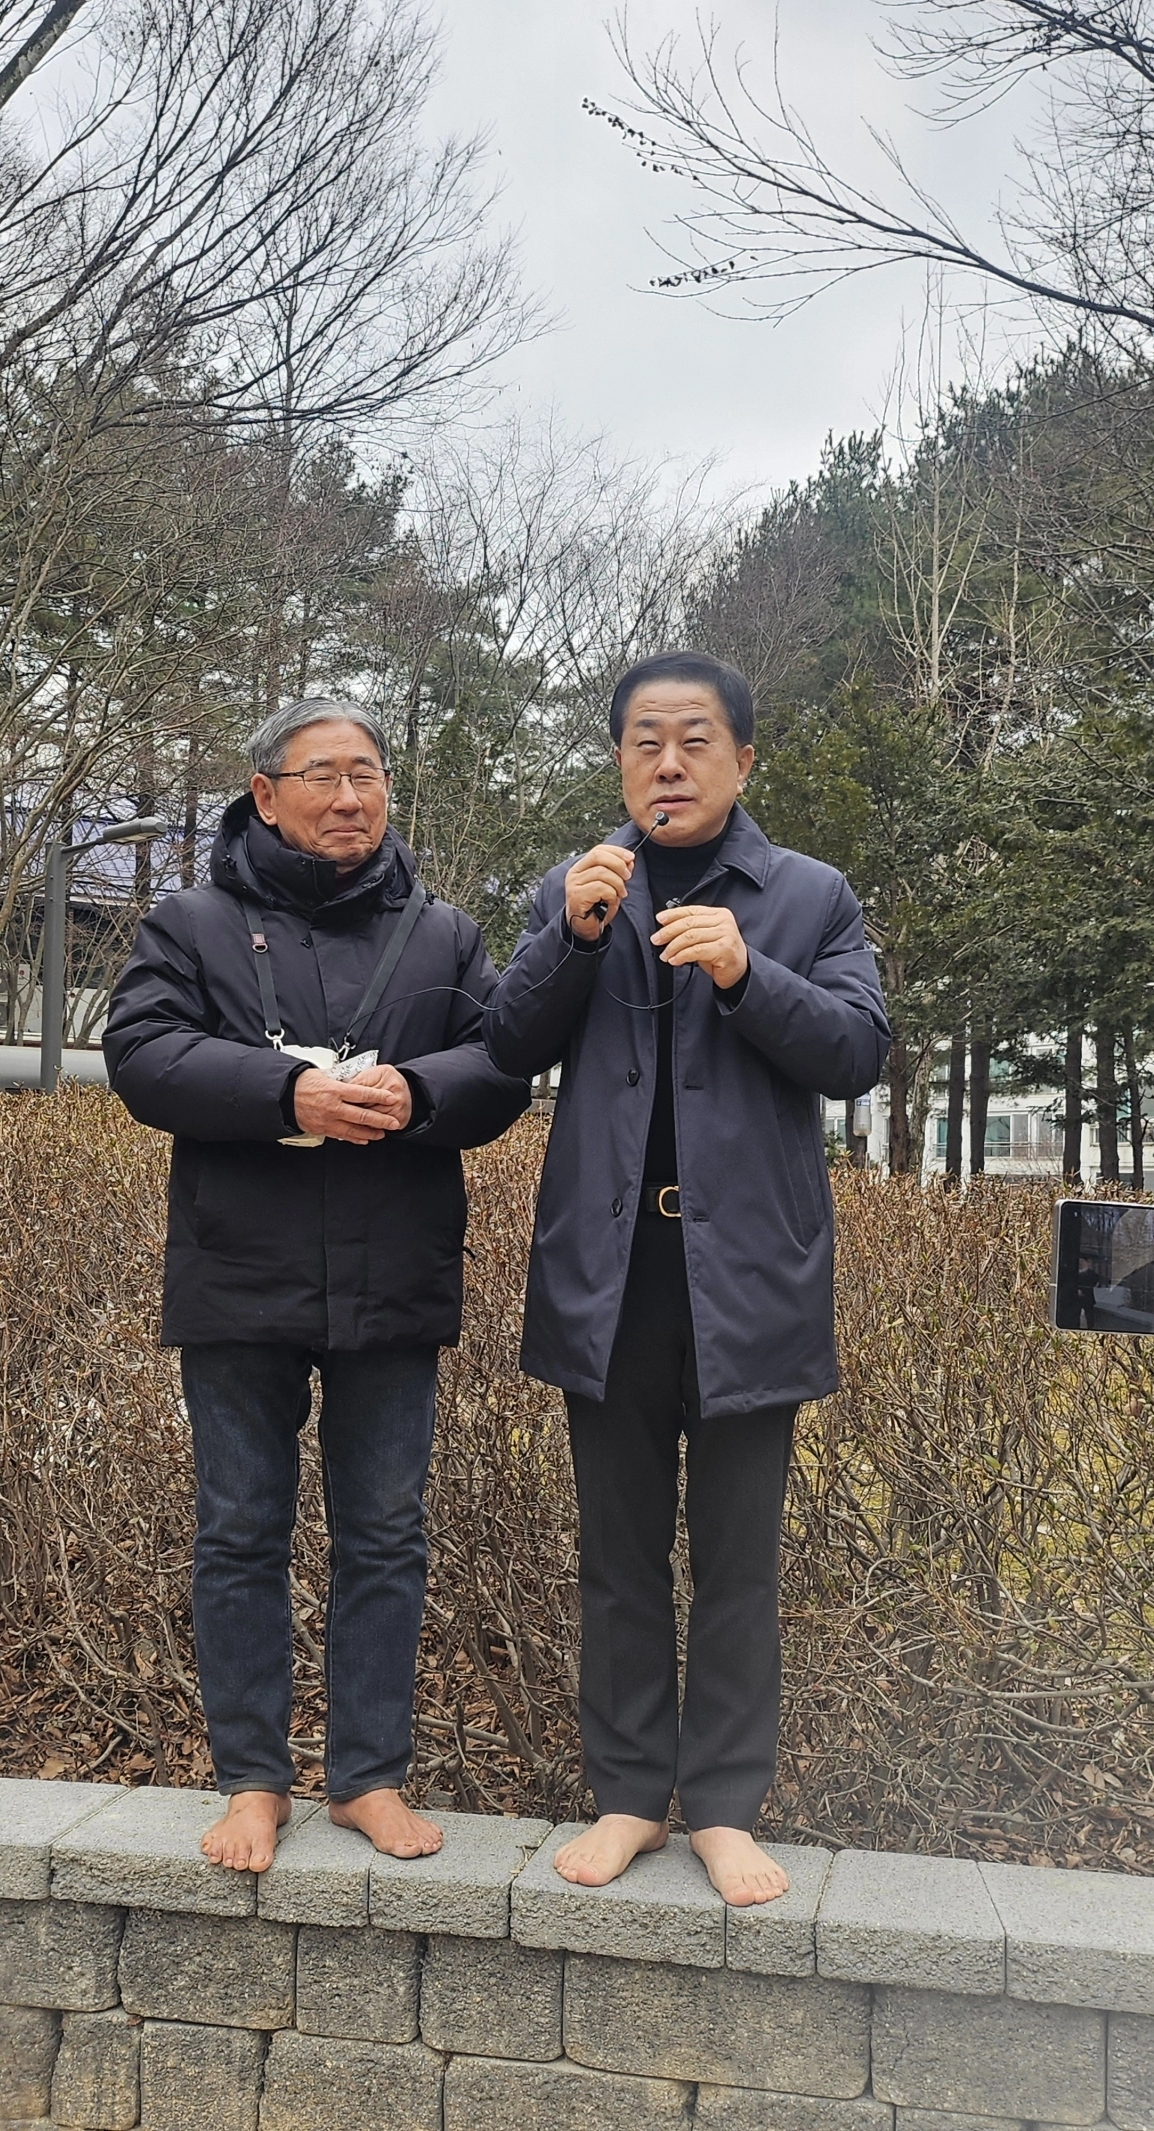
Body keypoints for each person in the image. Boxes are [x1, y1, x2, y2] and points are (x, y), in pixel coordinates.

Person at [484, 651, 890, 1906]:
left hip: (747, 1276)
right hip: (610, 1274)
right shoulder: (573, 888)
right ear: (618, 758)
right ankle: (625, 1798)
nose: (670, 761)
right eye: (646, 739)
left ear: (743, 759)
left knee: (737, 1556)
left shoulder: (807, 896)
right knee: (616, 1554)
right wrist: (569, 934)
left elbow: (861, 1050)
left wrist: (744, 970)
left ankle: (721, 1805)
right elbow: (504, 1044)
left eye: (697, 739)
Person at [104, 698, 531, 1874]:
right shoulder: (191, 922)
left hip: (394, 1272)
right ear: (264, 792)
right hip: (239, 1270)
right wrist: (284, 1094)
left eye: (370, 775)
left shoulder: (442, 933)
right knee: (240, 1531)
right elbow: (139, 1055)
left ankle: (368, 1777)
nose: (352, 798)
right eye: (325, 776)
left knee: (385, 1533)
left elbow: (503, 1062)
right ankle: (252, 1777)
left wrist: (423, 1094)